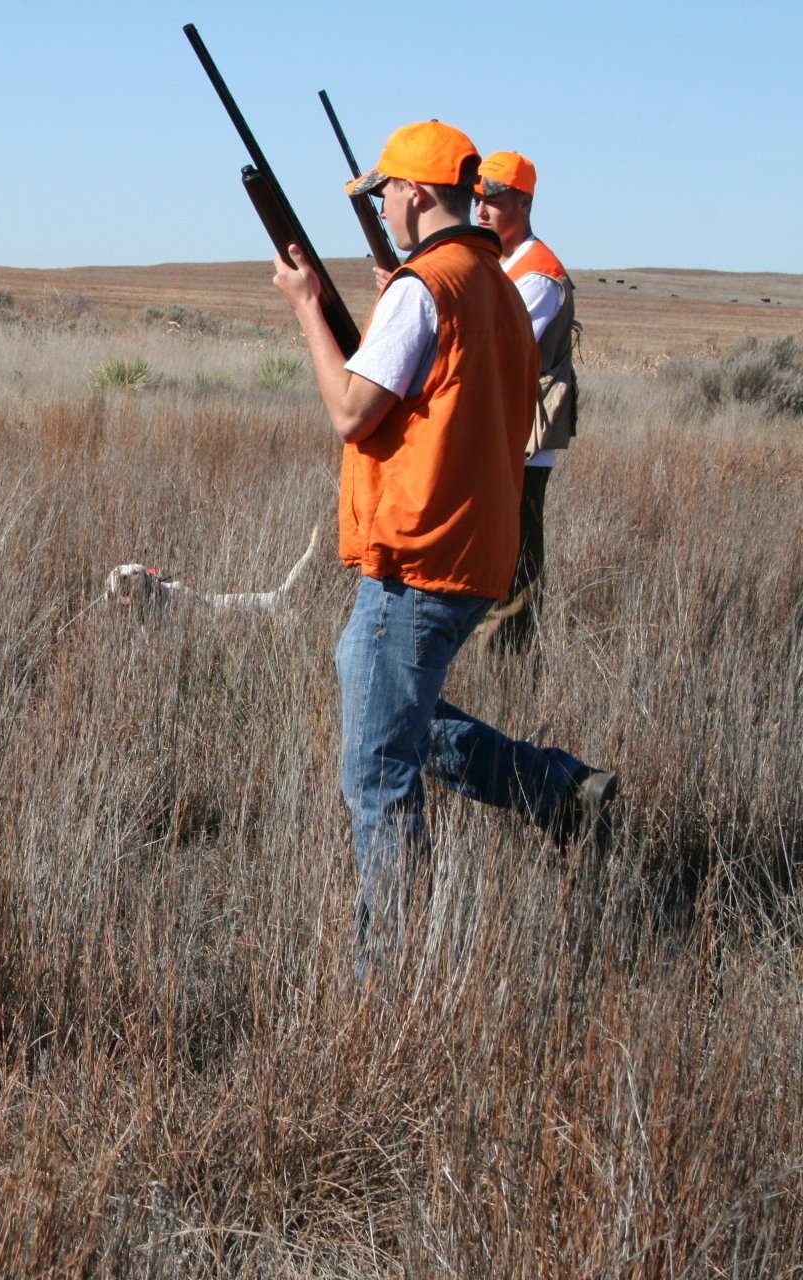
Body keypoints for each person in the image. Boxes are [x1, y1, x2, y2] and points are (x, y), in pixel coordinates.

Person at [267, 121, 617, 967]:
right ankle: (559, 791)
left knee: (375, 771)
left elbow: (352, 411)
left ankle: (388, 979)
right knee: (384, 712)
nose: (383, 202)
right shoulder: (493, 281)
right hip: (469, 555)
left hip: (416, 559)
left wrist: (310, 308)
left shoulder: (426, 288)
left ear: (417, 195)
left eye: (387, 188)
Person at [471, 151, 576, 655]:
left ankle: (510, 667)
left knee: (518, 556)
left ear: (524, 203)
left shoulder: (537, 273)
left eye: (493, 200)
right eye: (476, 200)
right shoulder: (502, 263)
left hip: (526, 439)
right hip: (502, 432)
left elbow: (499, 350)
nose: (482, 210)